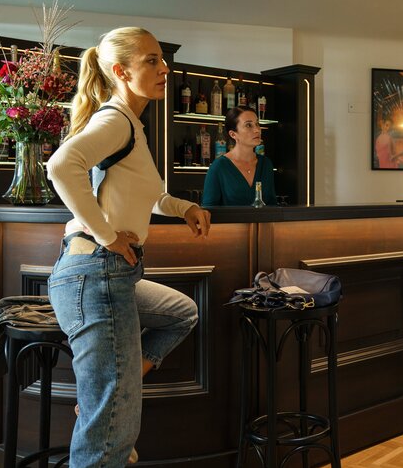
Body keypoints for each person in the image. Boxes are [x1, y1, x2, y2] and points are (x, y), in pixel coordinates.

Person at [46, 27, 211, 467]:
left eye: (162, 59)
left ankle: (116, 387)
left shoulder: (131, 125)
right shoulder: (116, 119)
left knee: (182, 313)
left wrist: (184, 208)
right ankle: (111, 393)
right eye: (152, 60)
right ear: (120, 72)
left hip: (108, 275)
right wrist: (107, 235)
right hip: (97, 272)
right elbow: (61, 165)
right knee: (108, 439)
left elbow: (151, 196)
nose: (165, 68)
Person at [201, 106, 277, 206]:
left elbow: (273, 206)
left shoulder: (266, 164)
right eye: (248, 125)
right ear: (233, 134)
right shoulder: (219, 167)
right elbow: (208, 209)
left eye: (257, 124)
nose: (257, 130)